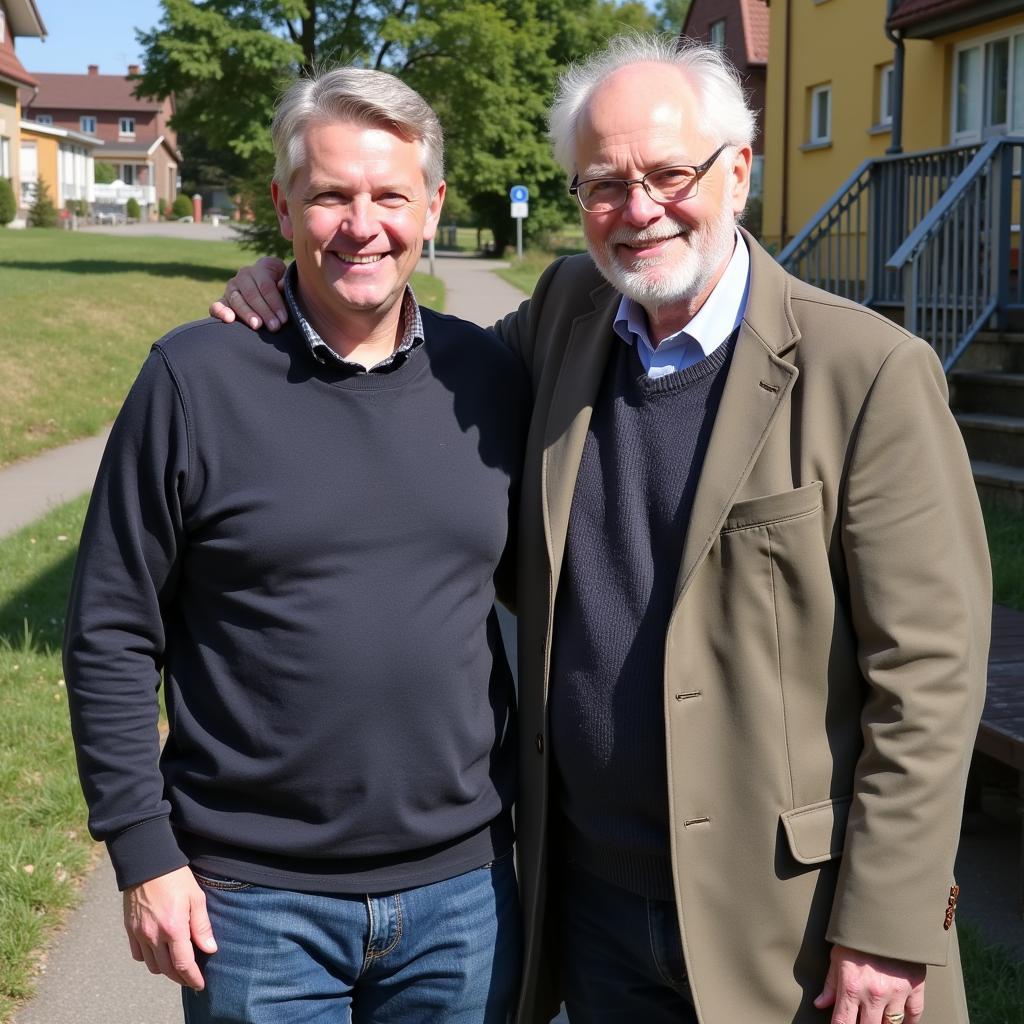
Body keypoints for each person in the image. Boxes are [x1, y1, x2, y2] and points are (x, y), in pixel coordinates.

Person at [213, 35, 990, 1024]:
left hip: (792, 922)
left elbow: (928, 676)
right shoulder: (566, 317)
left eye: (669, 174)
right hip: (591, 905)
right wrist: (285, 286)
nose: (639, 209)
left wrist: (886, 919)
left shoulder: (865, 372)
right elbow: (401, 362)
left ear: (738, 172)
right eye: (603, 184)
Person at [63, 66, 530, 1024]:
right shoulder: (194, 380)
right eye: (330, 196)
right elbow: (110, 629)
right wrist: (142, 852)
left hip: (464, 897)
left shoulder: (488, 379)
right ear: (284, 206)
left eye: (391, 195)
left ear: (433, 206)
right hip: (253, 905)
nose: (364, 225)